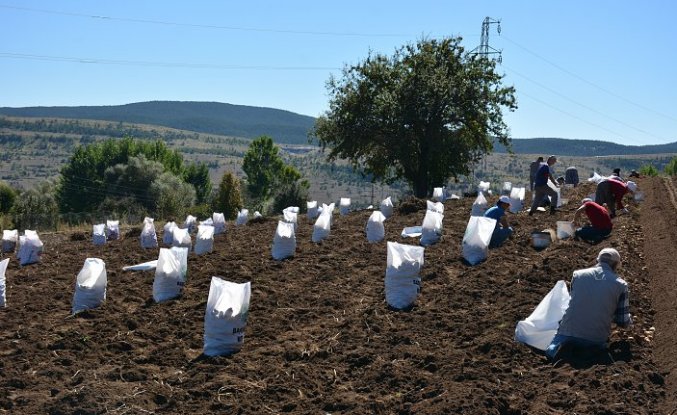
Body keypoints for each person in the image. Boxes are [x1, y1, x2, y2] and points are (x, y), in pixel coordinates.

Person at [545, 248, 632, 361]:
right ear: (616, 265)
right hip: (596, 339)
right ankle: (589, 353)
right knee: (597, 348)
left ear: (597, 260)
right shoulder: (621, 285)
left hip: (569, 332)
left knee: (551, 350)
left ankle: (559, 351)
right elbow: (623, 322)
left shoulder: (578, 275)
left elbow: (574, 302)